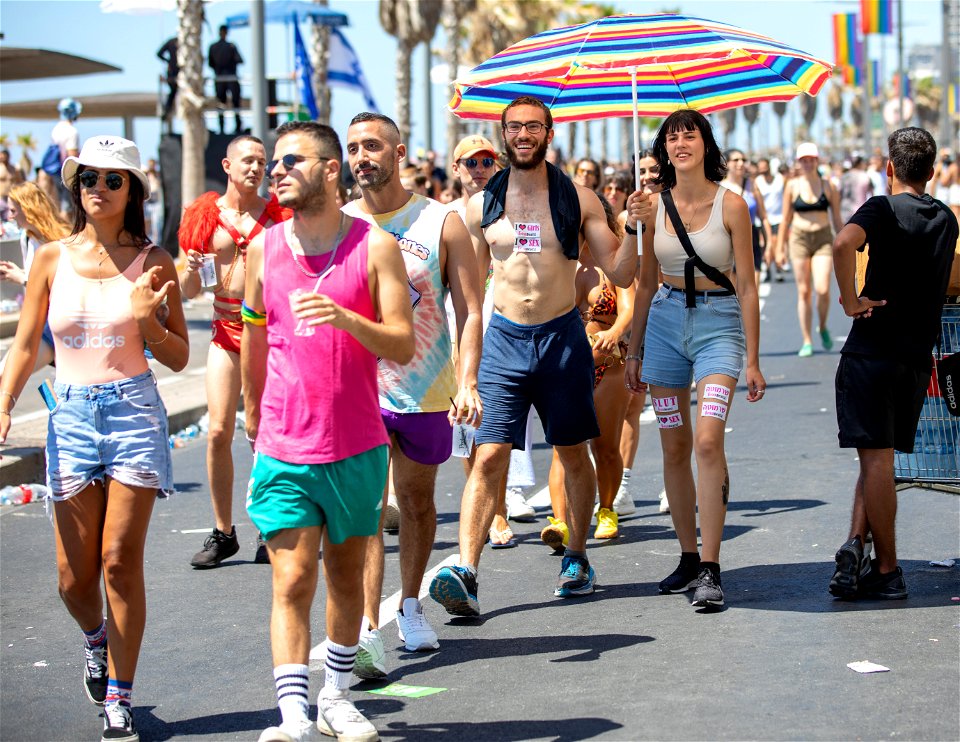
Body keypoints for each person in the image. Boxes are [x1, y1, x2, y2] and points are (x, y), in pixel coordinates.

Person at [429, 95, 649, 616]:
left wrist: (637, 227)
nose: (523, 134)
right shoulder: (481, 206)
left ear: (549, 134)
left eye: (534, 126)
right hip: (503, 340)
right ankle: (467, 569)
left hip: (561, 338)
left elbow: (619, 272)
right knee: (487, 454)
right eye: (514, 127)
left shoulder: (580, 198)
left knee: (573, 452)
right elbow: (470, 299)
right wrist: (465, 370)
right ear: (504, 134)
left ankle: (576, 557)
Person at [0, 135, 189, 742]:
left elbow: (181, 357)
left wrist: (147, 323)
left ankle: (120, 697)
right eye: (88, 179)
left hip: (134, 411)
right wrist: (3, 407)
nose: (98, 190)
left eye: (113, 179)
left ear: (132, 188)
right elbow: (27, 345)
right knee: (71, 580)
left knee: (117, 561)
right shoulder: (51, 260)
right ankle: (96, 640)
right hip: (72, 418)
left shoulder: (156, 260)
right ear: (75, 187)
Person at [243, 121, 414, 742]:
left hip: (356, 443)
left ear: (331, 169)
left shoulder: (375, 248)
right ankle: (293, 715)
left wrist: (346, 317)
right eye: (276, 162)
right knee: (291, 578)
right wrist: (250, 409)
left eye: (293, 161)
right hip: (284, 444)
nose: (279, 171)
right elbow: (255, 335)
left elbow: (399, 341)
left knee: (345, 578)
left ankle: (337, 696)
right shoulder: (263, 251)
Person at [342, 113, 483, 670]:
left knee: (418, 501)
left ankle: (410, 608)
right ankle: (368, 626)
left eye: (372, 146)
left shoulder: (440, 220)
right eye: (353, 147)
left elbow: (470, 310)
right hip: (360, 389)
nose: (361, 157)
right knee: (369, 510)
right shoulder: (341, 223)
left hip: (426, 388)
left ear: (399, 153)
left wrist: (468, 380)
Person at [624, 109, 765, 610]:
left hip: (719, 326)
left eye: (691, 135)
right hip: (663, 326)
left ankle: (710, 566)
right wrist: (634, 350)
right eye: (672, 137)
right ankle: (687, 555)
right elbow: (642, 281)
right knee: (673, 444)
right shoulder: (650, 206)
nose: (681, 143)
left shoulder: (732, 204)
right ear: (664, 149)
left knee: (708, 440)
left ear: (706, 144)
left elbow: (747, 284)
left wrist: (753, 358)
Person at [829, 127, 958, 601]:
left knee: (877, 461)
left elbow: (843, 244)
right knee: (878, 458)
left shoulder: (881, 208)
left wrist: (850, 299)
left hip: (872, 350)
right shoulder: (946, 220)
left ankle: (887, 568)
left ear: (889, 169)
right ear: (932, 171)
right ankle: (854, 548)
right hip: (914, 359)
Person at [178, 135, 290, 568]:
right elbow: (189, 289)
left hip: (267, 333)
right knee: (219, 431)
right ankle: (223, 532)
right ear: (227, 165)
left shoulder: (279, 216)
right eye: (248, 160)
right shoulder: (204, 216)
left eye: (262, 162)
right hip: (224, 332)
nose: (256, 168)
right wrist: (188, 270)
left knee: (266, 434)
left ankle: (269, 525)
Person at [448, 134, 539, 530]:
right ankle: (480, 507)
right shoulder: (444, 217)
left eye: (487, 162)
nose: (479, 170)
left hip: (505, 327)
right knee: (468, 419)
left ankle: (499, 505)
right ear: (456, 169)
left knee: (502, 423)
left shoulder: (510, 210)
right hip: (461, 325)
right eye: (471, 163)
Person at [545, 199, 634, 543]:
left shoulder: (614, 264)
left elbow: (627, 306)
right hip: (565, 366)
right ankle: (559, 521)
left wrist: (614, 332)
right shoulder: (558, 263)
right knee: (562, 447)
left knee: (605, 447)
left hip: (607, 366)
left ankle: (607, 510)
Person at [618, 150, 661, 515]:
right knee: (631, 405)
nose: (646, 176)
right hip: (639, 319)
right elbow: (622, 273)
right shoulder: (625, 218)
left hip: (675, 315)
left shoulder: (679, 211)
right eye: (641, 170)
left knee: (671, 409)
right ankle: (623, 485)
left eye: (653, 170)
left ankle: (674, 482)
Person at [778, 142, 843, 357]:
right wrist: (779, 248)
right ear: (799, 162)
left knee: (823, 288)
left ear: (817, 161)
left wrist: (845, 244)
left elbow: (836, 218)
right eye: (803, 160)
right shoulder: (792, 186)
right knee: (804, 291)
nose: (807, 163)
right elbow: (785, 218)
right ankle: (806, 339)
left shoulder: (828, 185)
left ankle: (822, 326)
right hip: (799, 238)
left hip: (823, 237)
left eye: (811, 160)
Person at [0, 182, 71, 376]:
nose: (9, 216)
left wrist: (22, 279)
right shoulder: (27, 238)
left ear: (28, 209)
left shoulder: (63, 241)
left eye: (13, 210)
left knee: (7, 375)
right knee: (6, 375)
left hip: (62, 326)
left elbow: (65, 286)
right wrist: (20, 274)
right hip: (42, 323)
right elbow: (36, 280)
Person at [720, 148, 772, 288]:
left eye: (743, 160)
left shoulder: (752, 185)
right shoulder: (719, 188)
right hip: (727, 242)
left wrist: (769, 246)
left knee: (753, 289)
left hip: (751, 238)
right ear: (726, 164)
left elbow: (764, 217)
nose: (741, 163)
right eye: (736, 160)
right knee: (733, 294)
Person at [755, 157, 786, 282]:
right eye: (760, 168)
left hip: (778, 218)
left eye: (764, 167)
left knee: (776, 243)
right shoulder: (757, 181)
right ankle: (767, 270)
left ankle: (778, 268)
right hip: (763, 219)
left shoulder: (780, 179)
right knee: (765, 245)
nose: (763, 170)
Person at [208, 25, 243, 135]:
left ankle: (222, 128)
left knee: (221, 103)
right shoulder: (231, 46)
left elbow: (210, 63)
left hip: (219, 79)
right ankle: (237, 126)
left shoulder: (213, 47)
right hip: (231, 78)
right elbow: (240, 60)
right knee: (234, 103)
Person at [839, 155, 874, 225]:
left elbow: (839, 194)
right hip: (860, 212)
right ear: (860, 164)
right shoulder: (865, 176)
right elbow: (872, 194)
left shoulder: (844, 176)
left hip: (845, 212)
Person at [156, 36, 179, 131]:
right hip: (176, 72)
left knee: (173, 93)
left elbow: (159, 54)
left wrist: (168, 61)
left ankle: (167, 111)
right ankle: (166, 111)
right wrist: (168, 61)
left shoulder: (171, 42)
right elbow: (159, 53)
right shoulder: (176, 42)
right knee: (173, 92)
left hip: (173, 72)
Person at [0, 148, 24, 221]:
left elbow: (20, 182)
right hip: (0, 197)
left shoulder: (14, 169)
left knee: (10, 218)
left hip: (11, 197)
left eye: (4, 157)